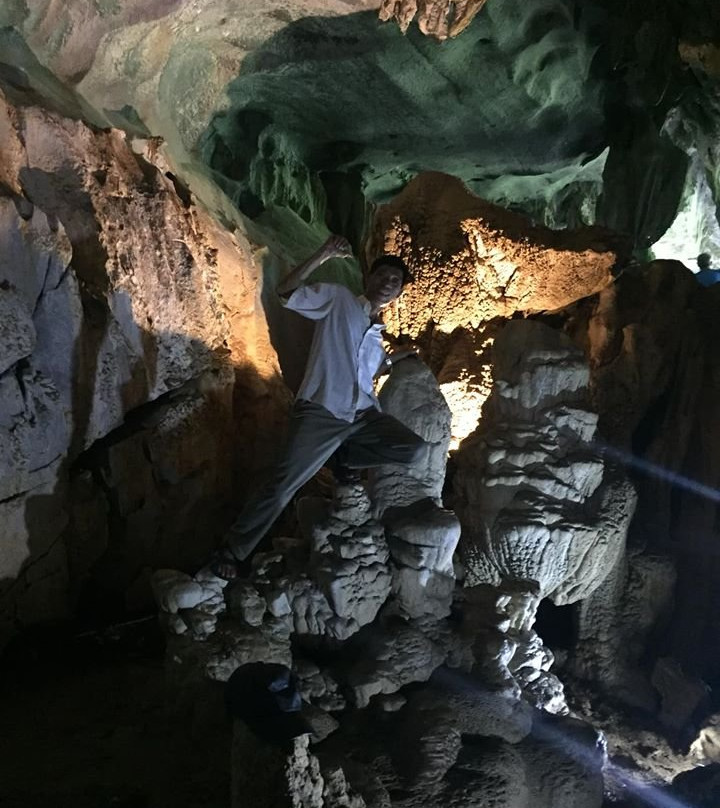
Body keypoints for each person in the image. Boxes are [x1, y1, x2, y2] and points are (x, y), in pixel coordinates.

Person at [209, 235, 426, 579]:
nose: (387, 284)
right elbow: (286, 293)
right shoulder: (339, 301)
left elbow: (372, 369)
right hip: (323, 410)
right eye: (382, 276)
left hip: (363, 415)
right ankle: (233, 550)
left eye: (395, 282)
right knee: (283, 485)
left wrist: (398, 358)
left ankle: (344, 458)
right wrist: (323, 254)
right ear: (368, 279)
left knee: (413, 450)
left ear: (399, 293)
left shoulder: (377, 334)